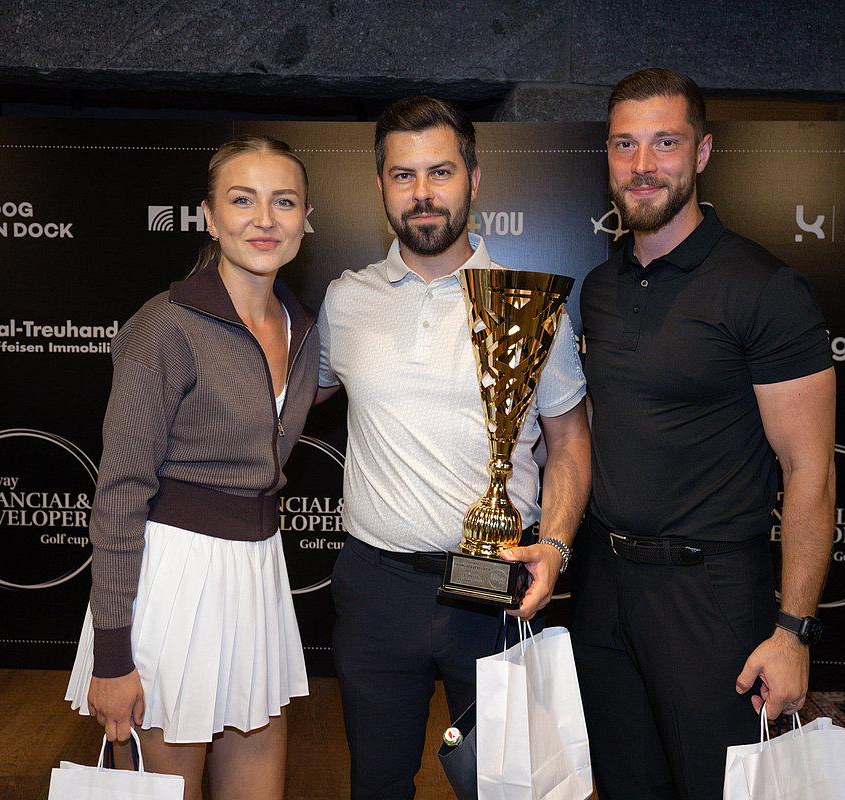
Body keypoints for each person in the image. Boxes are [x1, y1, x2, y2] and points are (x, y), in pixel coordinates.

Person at [315, 95, 591, 800]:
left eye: (440, 172)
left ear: (474, 178)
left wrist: (555, 546)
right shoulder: (346, 301)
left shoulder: (531, 306)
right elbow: (284, 401)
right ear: (381, 186)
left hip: (497, 587)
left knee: (511, 788)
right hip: (376, 588)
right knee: (377, 786)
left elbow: (569, 440)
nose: (423, 193)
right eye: (403, 175)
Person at [570, 68, 836, 800]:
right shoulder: (600, 288)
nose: (643, 164)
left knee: (719, 787)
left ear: (703, 152)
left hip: (710, 595)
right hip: (603, 588)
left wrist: (795, 631)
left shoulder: (765, 287)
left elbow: (809, 469)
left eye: (665, 142)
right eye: (624, 144)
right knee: (625, 786)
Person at [64, 134, 319, 800]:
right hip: (173, 578)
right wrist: (112, 654)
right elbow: (120, 492)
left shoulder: (304, 328)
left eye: (283, 201)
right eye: (242, 200)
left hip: (258, 574)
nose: (264, 219)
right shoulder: (165, 326)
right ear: (209, 216)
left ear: (305, 218)